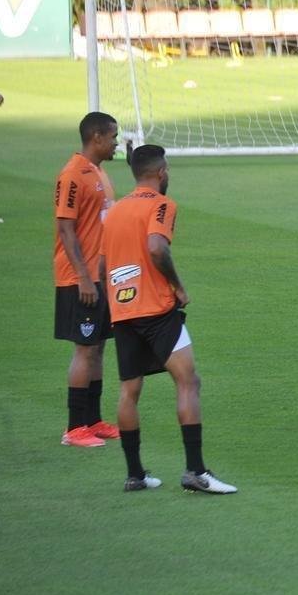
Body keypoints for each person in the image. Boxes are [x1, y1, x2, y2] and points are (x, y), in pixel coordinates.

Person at [102, 145, 237, 494]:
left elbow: (103, 265)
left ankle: (135, 475)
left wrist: (116, 301)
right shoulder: (161, 205)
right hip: (157, 311)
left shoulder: (114, 211)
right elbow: (157, 247)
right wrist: (177, 286)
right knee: (188, 382)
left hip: (122, 310)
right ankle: (195, 471)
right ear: (160, 172)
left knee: (129, 391)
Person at [54, 111, 121, 448]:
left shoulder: (98, 172)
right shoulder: (72, 175)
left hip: (101, 275)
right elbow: (65, 229)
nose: (116, 142)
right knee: (84, 350)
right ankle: (74, 427)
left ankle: (93, 420)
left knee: (97, 348)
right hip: (79, 277)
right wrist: (83, 276)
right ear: (96, 137)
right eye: (113, 136)